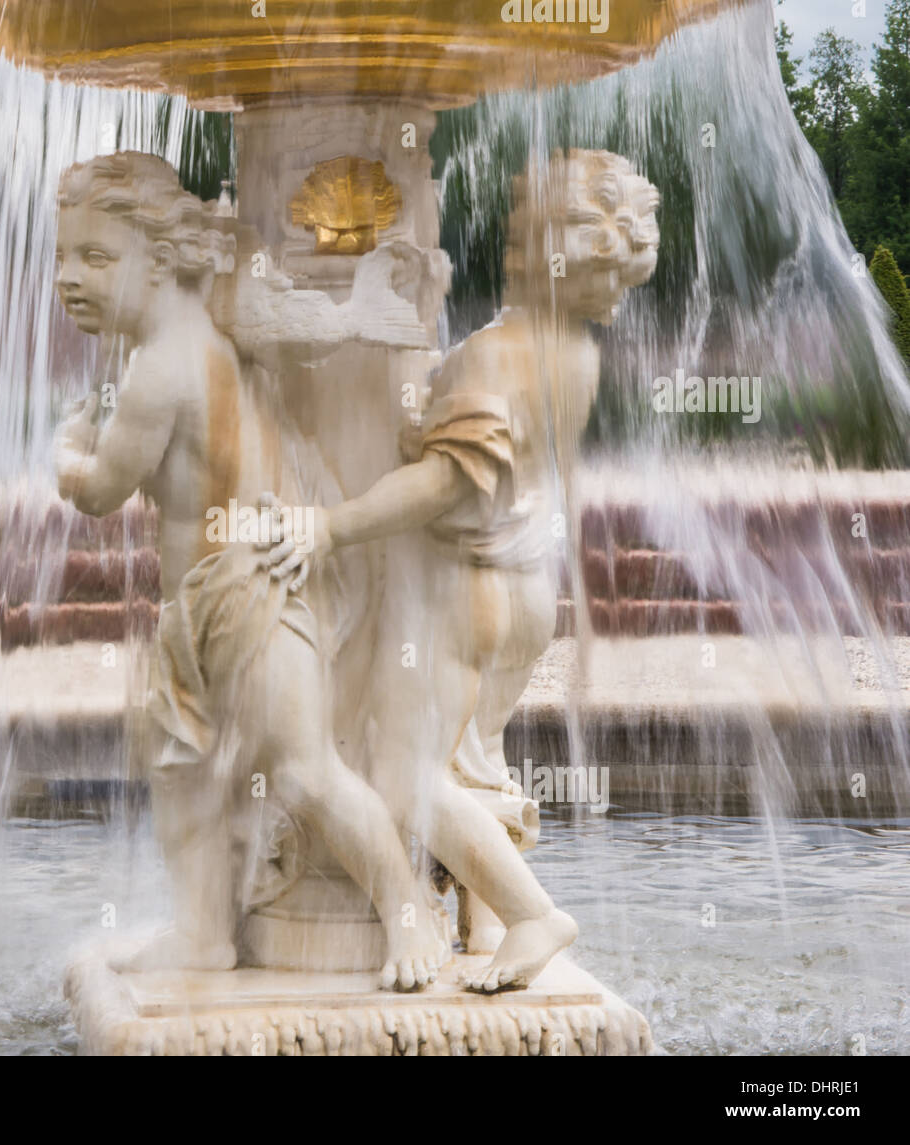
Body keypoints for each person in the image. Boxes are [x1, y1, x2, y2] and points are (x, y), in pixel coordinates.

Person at [262, 150, 660, 991]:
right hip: (523, 593)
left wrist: (330, 525)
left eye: (521, 225)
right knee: (467, 761)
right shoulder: (574, 353)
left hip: (460, 591)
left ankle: (530, 914)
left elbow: (447, 481)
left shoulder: (493, 355)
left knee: (401, 777)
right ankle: (482, 923)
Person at [51, 152, 440, 990]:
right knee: (182, 770)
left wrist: (67, 451)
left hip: (247, 593)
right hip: (213, 604)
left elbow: (101, 490)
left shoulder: (158, 368)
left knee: (303, 769)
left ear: (158, 263)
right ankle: (201, 933)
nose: (67, 279)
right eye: (63, 257)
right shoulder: (211, 333)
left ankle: (408, 916)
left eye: (94, 258)